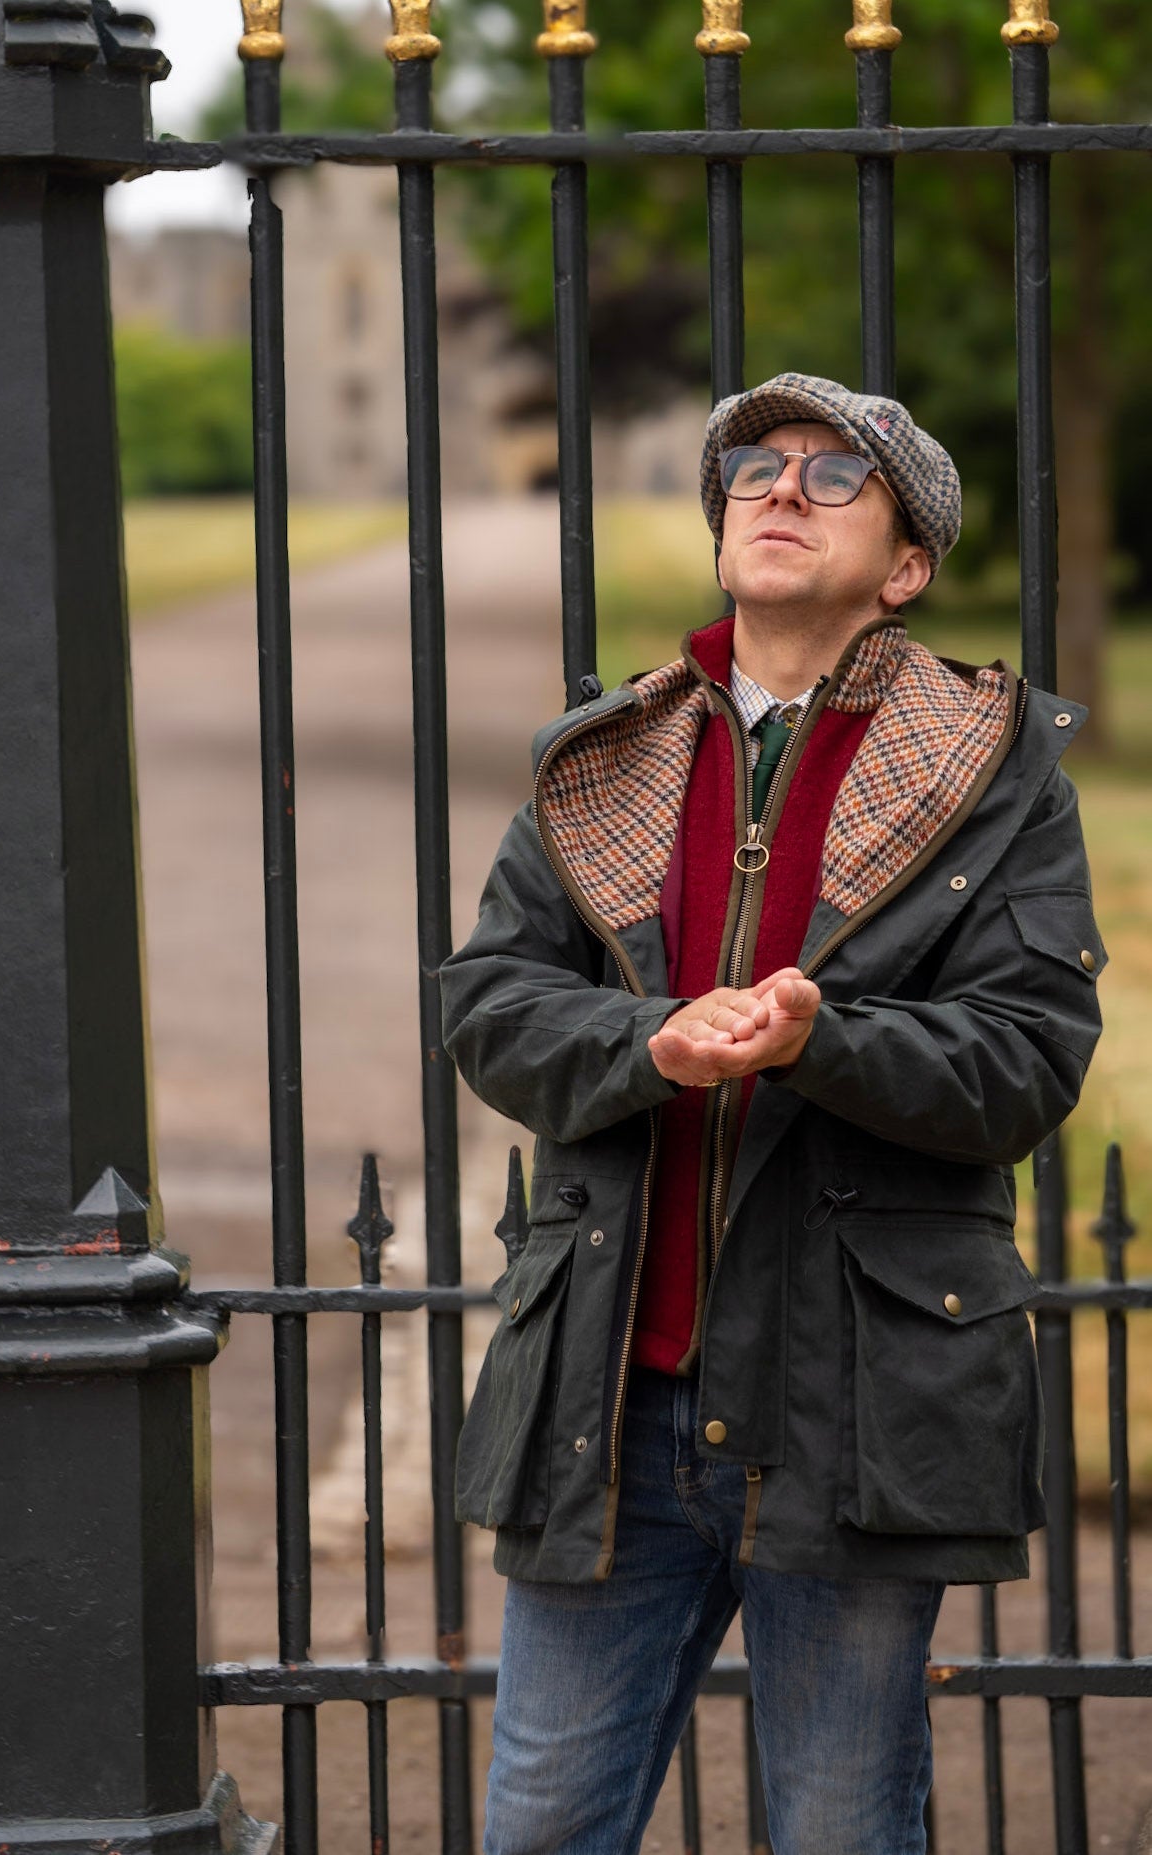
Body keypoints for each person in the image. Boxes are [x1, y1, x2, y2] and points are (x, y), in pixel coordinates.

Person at [440, 372, 1105, 1855]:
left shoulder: (994, 776)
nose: (777, 488)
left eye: (831, 474)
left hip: (853, 1404)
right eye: (751, 465)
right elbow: (486, 1006)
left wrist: (822, 1043)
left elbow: (1026, 1059)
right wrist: (647, 1044)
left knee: (837, 1830)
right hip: (608, 1399)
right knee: (542, 1826)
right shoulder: (600, 761)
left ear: (907, 565)